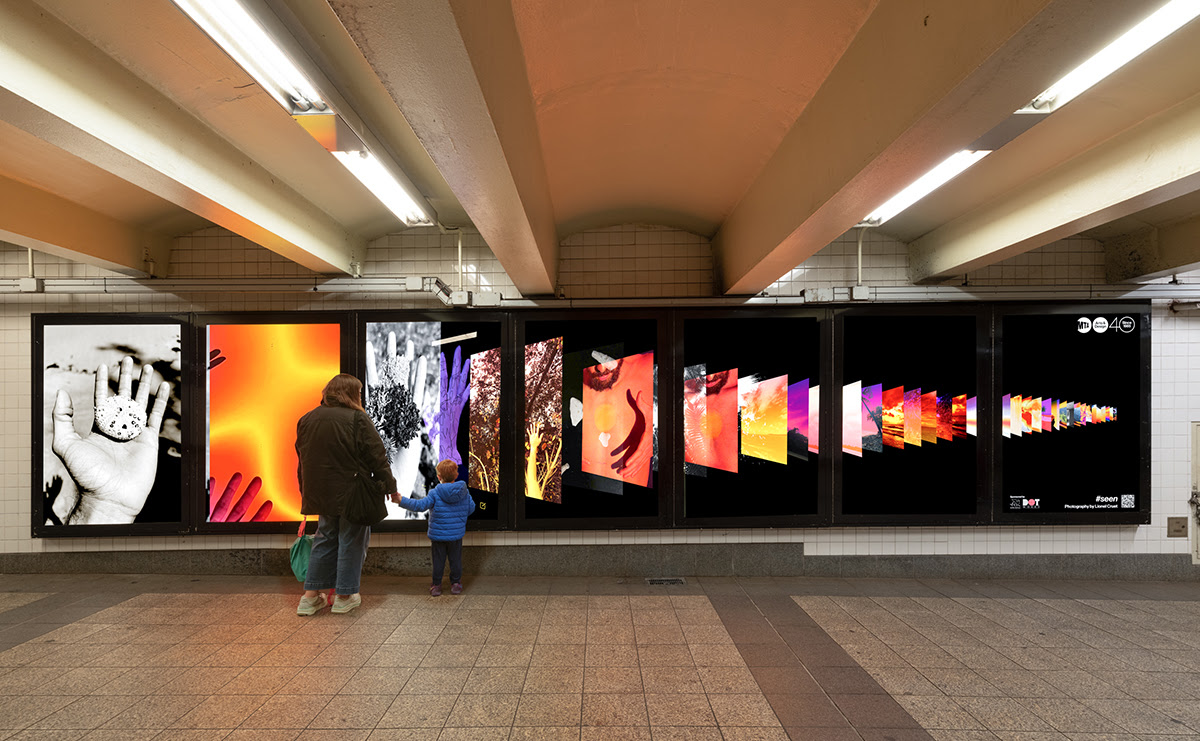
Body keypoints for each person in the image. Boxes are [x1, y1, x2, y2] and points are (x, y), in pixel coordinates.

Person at [295, 373, 397, 616]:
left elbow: (302, 460)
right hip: (352, 493)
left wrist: (304, 490)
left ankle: (309, 599)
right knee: (351, 539)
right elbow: (377, 456)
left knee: (324, 538)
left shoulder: (306, 419)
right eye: (359, 393)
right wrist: (390, 487)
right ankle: (343, 596)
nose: (360, 397)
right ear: (350, 394)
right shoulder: (357, 419)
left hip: (320, 493)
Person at [393, 459, 475, 596]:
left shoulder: (434, 493)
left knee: (438, 561)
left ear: (439, 477)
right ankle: (456, 584)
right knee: (455, 560)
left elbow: (419, 506)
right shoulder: (464, 492)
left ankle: (436, 586)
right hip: (456, 535)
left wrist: (401, 500)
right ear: (456, 475)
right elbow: (471, 509)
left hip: (438, 536)